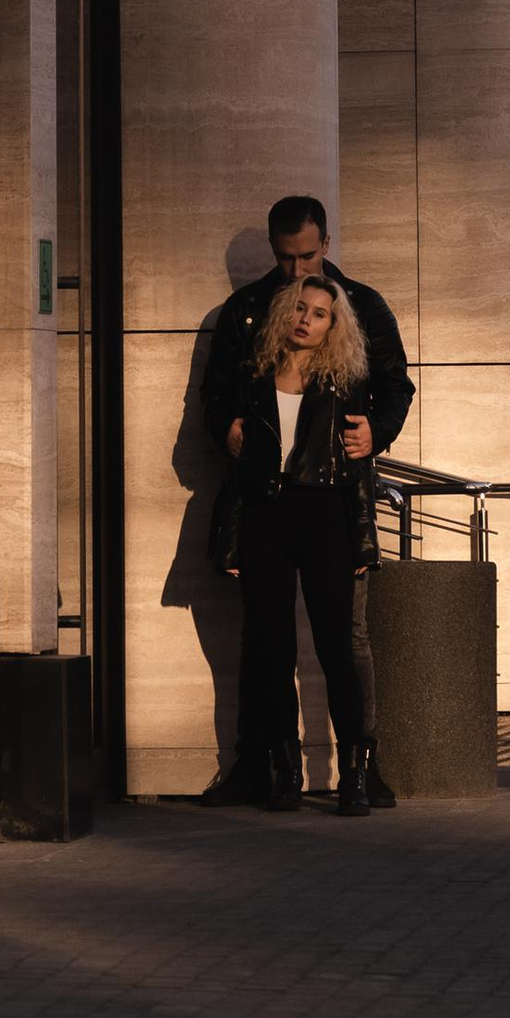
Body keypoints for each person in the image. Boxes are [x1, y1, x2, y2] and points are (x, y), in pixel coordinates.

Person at [199, 196, 413, 808]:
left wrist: (378, 431)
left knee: (344, 638)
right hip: (266, 502)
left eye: (308, 255)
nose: (297, 273)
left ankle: (361, 768)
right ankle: (265, 765)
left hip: (333, 501)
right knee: (264, 640)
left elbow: (396, 384)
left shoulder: (362, 306)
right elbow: (214, 396)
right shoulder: (248, 313)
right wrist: (228, 430)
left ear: (327, 241)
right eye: (285, 259)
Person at [212, 275, 379, 816]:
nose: (307, 319)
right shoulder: (254, 375)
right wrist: (234, 544)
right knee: (271, 650)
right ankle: (287, 774)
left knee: (336, 649)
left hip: (325, 517)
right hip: (265, 518)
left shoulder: (343, 381)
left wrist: (362, 545)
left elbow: (359, 473)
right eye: (300, 308)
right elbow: (236, 470)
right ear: (286, 312)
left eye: (321, 313)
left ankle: (354, 776)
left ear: (335, 325)